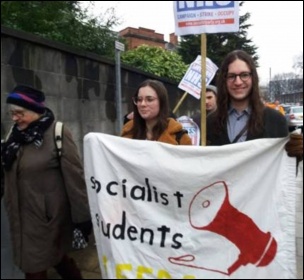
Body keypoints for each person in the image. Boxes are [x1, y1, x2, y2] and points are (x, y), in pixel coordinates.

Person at [1, 85, 92, 279]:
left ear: (35, 112)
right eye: (12, 113)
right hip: (20, 214)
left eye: (19, 113)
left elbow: (75, 177)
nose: (15, 118)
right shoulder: (14, 135)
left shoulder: (57, 133)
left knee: (35, 267)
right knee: (56, 258)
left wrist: (82, 217)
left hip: (49, 218)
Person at [206, 50, 302, 161]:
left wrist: (297, 155)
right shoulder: (210, 122)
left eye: (244, 75)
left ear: (253, 78)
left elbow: (285, 167)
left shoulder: (275, 120)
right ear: (224, 80)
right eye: (231, 76)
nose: (238, 82)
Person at [121, 79, 192, 145]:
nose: (142, 104)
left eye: (149, 99)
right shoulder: (127, 132)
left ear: (161, 102)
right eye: (139, 99)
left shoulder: (180, 137)